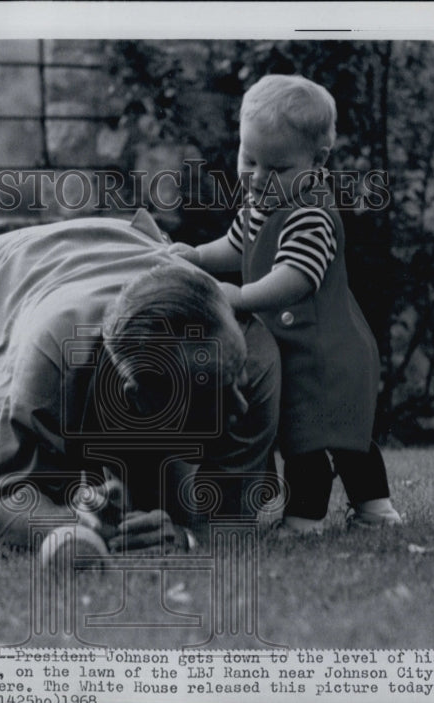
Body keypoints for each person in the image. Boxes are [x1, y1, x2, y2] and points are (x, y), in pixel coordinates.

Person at [0, 209, 281, 550]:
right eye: (214, 397)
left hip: (118, 248)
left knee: (173, 510)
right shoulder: (53, 359)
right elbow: (9, 509)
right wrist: (87, 526)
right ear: (141, 398)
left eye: (239, 380)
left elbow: (229, 523)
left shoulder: (251, 352)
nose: (242, 404)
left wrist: (184, 536)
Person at [172, 75, 402, 534]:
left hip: (327, 354)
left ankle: (308, 517)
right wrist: (197, 256)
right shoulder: (263, 201)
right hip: (299, 349)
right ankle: (374, 507)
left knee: (316, 438)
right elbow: (238, 246)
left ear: (317, 162)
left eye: (275, 168)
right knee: (324, 432)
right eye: (248, 159)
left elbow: (293, 279)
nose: (256, 177)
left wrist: (239, 296)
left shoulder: (310, 214)